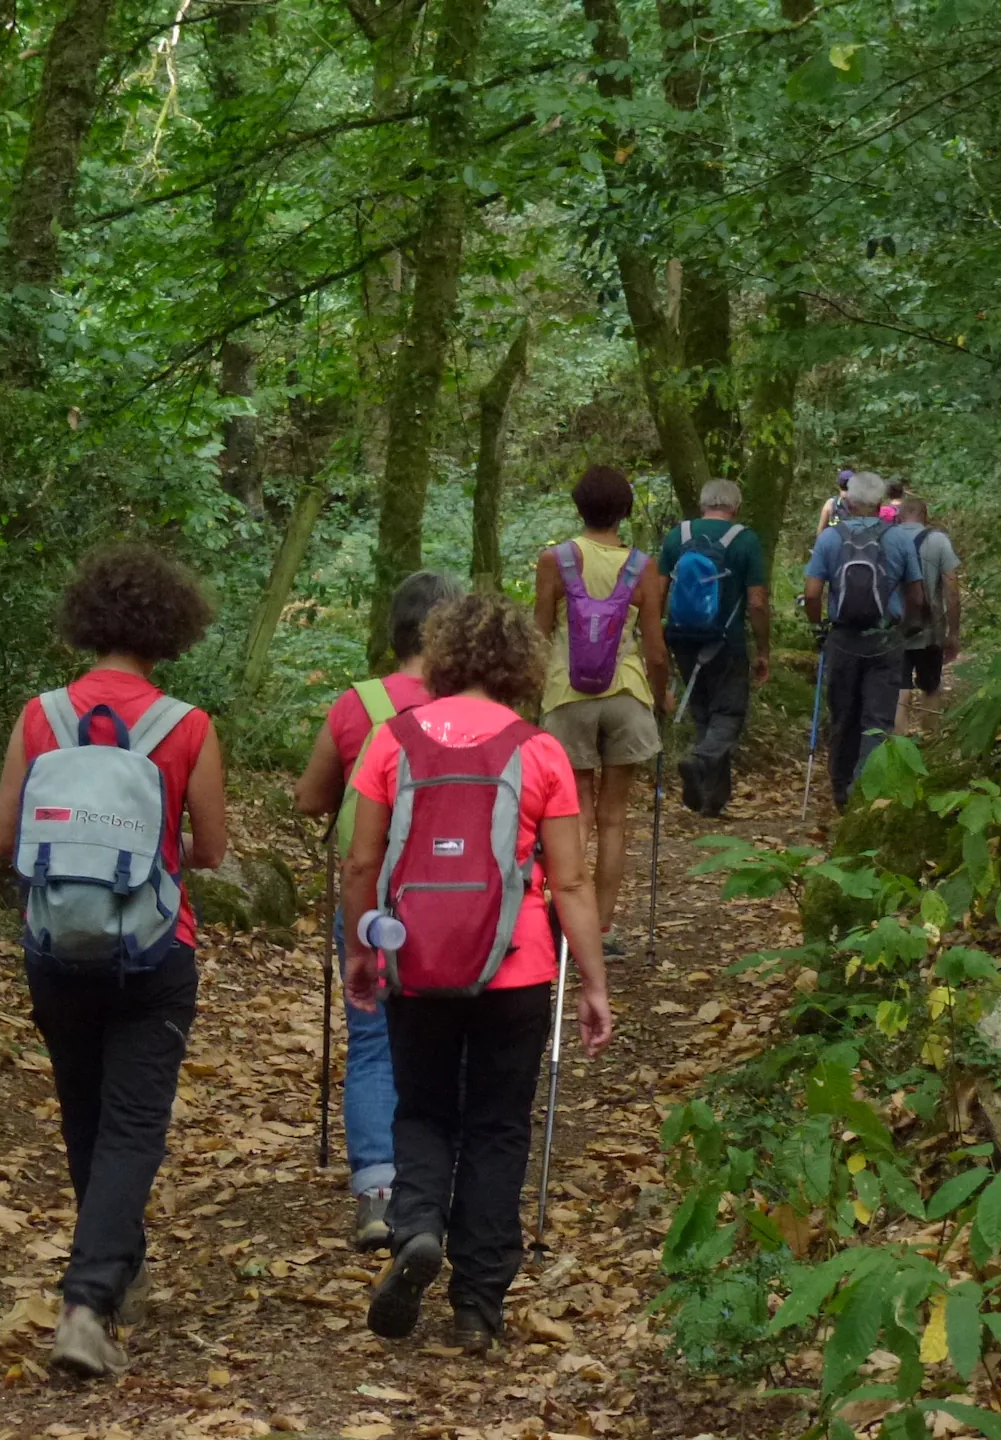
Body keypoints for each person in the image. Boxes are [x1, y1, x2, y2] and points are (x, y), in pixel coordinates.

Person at [342, 593, 613, 1353]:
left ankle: (418, 1228)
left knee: (423, 1109)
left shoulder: (392, 742)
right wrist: (591, 982)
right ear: (519, 666)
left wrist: (364, 952)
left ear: (443, 653)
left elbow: (362, 859)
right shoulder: (540, 749)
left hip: (415, 959)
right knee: (498, 1127)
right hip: (518, 967)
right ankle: (478, 1305)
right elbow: (571, 883)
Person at [0, 544, 227, 1379]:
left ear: (87, 619)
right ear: (171, 628)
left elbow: (3, 840)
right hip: (154, 949)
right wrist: (150, 845)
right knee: (133, 1127)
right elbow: (212, 849)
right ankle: (88, 1302)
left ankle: (114, 1272)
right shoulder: (187, 725)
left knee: (86, 1117)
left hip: (55, 947)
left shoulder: (39, 717)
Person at [294, 570, 464, 1251]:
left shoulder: (356, 704)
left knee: (370, 1040)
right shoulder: (475, 708)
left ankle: (376, 1189)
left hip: (369, 894)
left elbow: (310, 799)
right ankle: (437, 1188)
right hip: (456, 901)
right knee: (444, 1036)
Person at [534, 465, 669, 952]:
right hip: (627, 697)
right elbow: (654, 649)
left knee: (575, 813)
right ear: (625, 511)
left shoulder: (555, 560)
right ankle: (603, 928)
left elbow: (539, 633)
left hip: (567, 697)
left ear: (579, 508)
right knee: (614, 817)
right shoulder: (643, 566)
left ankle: (566, 920)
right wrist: (662, 694)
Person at [803, 471, 927, 810]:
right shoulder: (899, 538)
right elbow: (916, 594)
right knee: (878, 718)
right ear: (881, 503)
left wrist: (819, 627)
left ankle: (841, 787)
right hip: (886, 637)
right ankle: (864, 789)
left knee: (843, 713)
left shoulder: (830, 539)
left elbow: (812, 594)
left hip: (842, 637)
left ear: (849, 500)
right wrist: (906, 626)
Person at [657, 477, 771, 816]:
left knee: (704, 711)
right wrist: (763, 647)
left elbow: (658, 589)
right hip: (726, 639)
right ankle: (701, 761)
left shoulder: (679, 536)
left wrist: (655, 635)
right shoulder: (745, 540)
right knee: (729, 712)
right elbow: (757, 601)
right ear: (735, 506)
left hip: (681, 637)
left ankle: (711, 799)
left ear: (704, 503)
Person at [894, 496, 962, 735]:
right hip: (930, 629)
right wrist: (953, 633)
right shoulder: (938, 541)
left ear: (899, 516)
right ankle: (930, 741)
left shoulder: (886, 539)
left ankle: (897, 747)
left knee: (899, 687)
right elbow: (952, 590)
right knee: (931, 686)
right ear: (926, 516)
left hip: (894, 629)